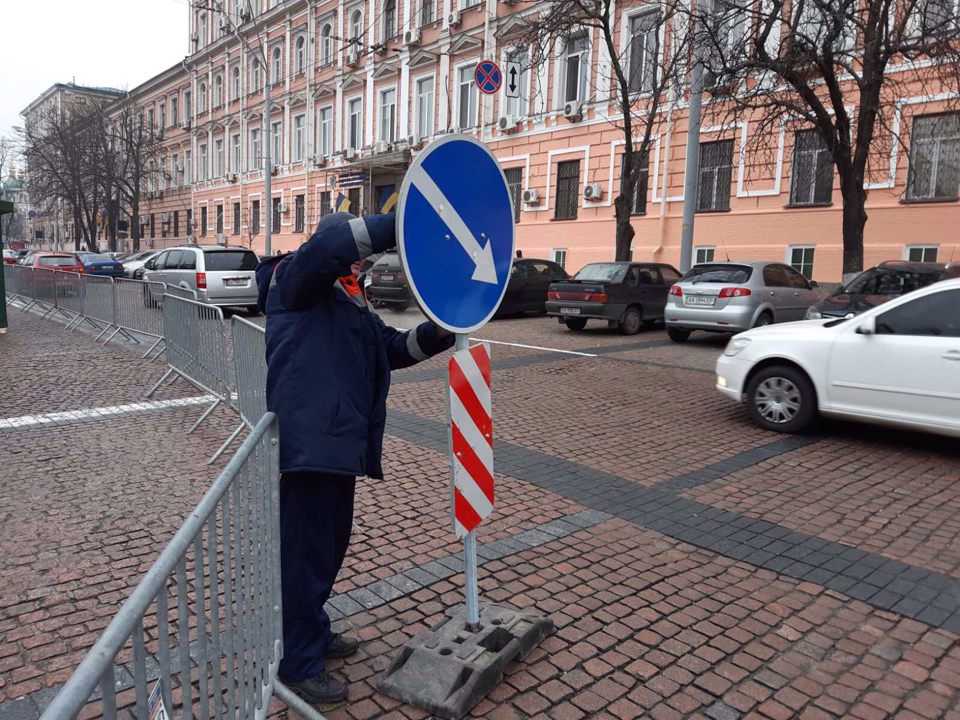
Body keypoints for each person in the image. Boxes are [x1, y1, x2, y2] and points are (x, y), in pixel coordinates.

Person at [255, 212, 454, 704]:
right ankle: (296, 665)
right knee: (305, 558)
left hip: (337, 445)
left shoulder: (347, 294)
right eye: (357, 251)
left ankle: (314, 632)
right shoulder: (292, 276)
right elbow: (323, 254)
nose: (361, 261)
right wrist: (402, 220)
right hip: (309, 445)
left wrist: (440, 331)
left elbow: (389, 348)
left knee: (328, 550)